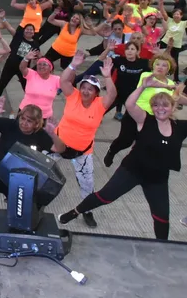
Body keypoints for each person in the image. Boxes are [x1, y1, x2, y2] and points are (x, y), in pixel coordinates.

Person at [59, 81, 186, 240]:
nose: (160, 108)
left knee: (162, 217)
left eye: (165, 105)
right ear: (152, 108)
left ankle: (161, 247)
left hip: (157, 179)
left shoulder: (181, 127)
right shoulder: (144, 120)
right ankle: (75, 211)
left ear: (173, 107)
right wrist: (143, 87)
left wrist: (180, 97)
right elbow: (130, 104)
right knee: (104, 197)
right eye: (156, 105)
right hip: (131, 171)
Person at [52, 52, 117, 228]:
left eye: (90, 88)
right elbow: (64, 81)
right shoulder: (73, 96)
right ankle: (28, 195)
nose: (85, 91)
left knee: (87, 184)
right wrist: (73, 64)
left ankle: (87, 211)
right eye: (84, 87)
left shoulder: (100, 105)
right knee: (38, 167)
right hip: (57, 145)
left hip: (82, 152)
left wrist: (107, 77)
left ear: (96, 93)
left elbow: (112, 94)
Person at [102, 53, 178, 166]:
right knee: (125, 141)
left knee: (144, 143)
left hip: (153, 119)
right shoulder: (146, 76)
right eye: (157, 64)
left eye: (164, 65)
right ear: (153, 66)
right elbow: (153, 84)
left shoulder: (171, 84)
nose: (160, 67)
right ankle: (112, 151)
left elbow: (175, 98)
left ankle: (134, 164)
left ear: (169, 69)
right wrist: (166, 87)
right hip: (135, 114)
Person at [0, 19, 39, 98]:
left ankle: (29, 101)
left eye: (31, 30)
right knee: (2, 83)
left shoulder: (35, 44)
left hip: (23, 69)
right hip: (10, 66)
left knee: (26, 87)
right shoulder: (18, 36)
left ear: (33, 33)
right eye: (27, 29)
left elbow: (36, 59)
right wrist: (3, 18)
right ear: (24, 31)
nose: (29, 31)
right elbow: (9, 27)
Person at [18, 52, 61, 119]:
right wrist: (26, 58)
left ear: (50, 68)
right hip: (25, 113)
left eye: (44, 64)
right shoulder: (31, 74)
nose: (41, 66)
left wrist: (73, 66)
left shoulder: (56, 79)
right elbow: (22, 68)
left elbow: (67, 83)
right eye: (39, 64)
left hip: (43, 116)